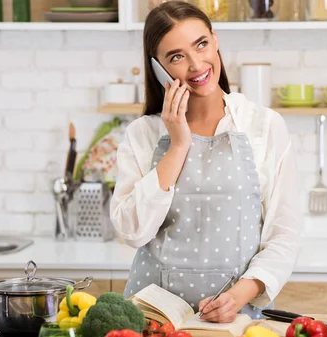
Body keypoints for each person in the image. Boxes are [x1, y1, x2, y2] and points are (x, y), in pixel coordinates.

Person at [110, 0, 303, 324]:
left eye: (201, 44)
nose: (196, 64)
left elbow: (284, 233)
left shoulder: (264, 126)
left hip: (233, 319)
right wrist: (178, 143)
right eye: (176, 57)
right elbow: (133, 231)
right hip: (152, 318)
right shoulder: (143, 134)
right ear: (158, 68)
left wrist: (238, 295)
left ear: (215, 40)